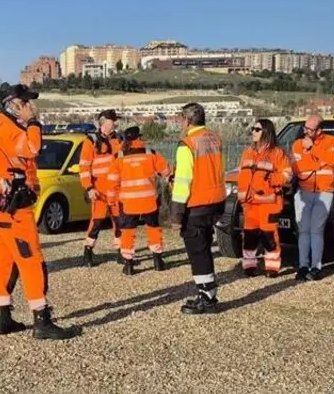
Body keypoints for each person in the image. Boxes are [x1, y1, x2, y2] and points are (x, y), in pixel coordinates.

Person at [0, 84, 79, 339]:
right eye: (26, 103)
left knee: (5, 258)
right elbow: (33, 148)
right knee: (31, 258)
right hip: (14, 204)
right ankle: (41, 320)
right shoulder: (11, 127)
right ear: (15, 104)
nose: (30, 107)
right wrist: (33, 121)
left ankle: (3, 317)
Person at [169, 103, 227, 314]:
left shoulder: (188, 144)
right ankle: (208, 293)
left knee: (198, 252)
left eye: (180, 118)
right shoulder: (214, 139)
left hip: (197, 204)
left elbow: (183, 182)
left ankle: (207, 297)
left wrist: (176, 215)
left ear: (187, 120)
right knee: (205, 249)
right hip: (216, 200)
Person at [108, 125, 170, 275]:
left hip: (128, 202)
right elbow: (167, 171)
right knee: (153, 229)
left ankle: (128, 265)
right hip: (149, 200)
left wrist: (111, 201)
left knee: (128, 232)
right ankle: (157, 261)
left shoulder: (118, 157)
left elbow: (112, 182)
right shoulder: (151, 153)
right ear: (138, 139)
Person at [236, 118, 293, 278]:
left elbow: (287, 174)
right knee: (249, 236)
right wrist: (242, 196)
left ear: (266, 132)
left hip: (269, 203)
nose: (253, 132)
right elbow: (242, 174)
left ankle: (272, 267)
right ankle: (249, 266)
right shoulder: (248, 152)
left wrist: (274, 180)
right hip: (249, 203)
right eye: (253, 129)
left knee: (269, 236)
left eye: (257, 129)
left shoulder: (277, 153)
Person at [291, 113, 334, 281]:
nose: (306, 132)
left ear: (319, 130)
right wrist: (318, 161)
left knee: (316, 230)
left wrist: (313, 149)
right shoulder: (298, 144)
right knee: (303, 230)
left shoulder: (331, 141)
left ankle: (316, 267)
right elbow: (298, 166)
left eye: (310, 129)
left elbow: (333, 159)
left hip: (324, 191)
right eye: (305, 128)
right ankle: (303, 266)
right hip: (303, 192)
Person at [79, 109, 122, 267]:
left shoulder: (118, 139)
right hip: (99, 191)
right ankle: (88, 251)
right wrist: (89, 188)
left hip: (116, 190)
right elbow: (84, 167)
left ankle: (121, 252)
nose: (115, 124)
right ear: (104, 122)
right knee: (96, 222)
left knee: (119, 221)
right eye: (113, 122)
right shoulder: (90, 141)